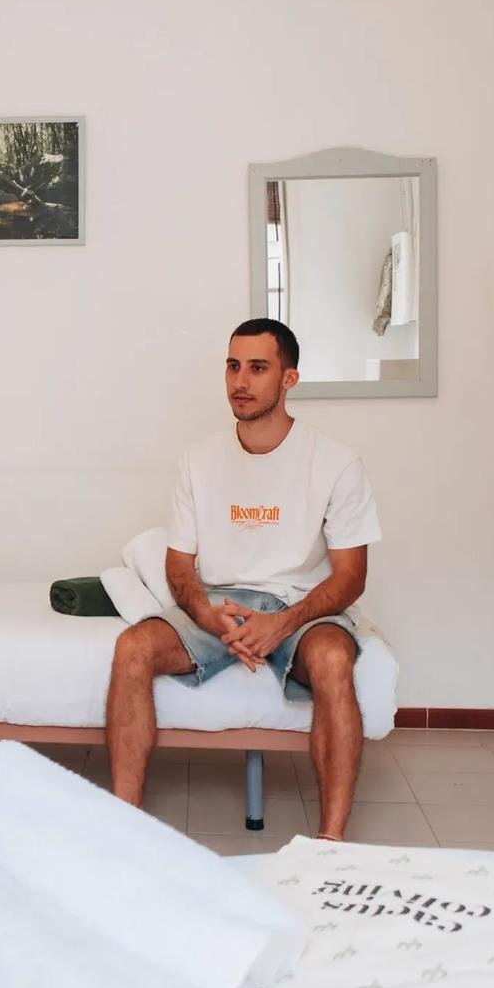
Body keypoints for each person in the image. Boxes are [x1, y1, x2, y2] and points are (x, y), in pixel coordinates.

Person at [104, 317, 381, 839]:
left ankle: (331, 843)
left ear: (289, 379)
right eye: (233, 366)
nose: (241, 381)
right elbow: (179, 564)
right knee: (131, 648)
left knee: (333, 658)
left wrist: (282, 625)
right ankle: (125, 832)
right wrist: (206, 613)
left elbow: (351, 576)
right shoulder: (198, 459)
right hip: (220, 602)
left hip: (301, 605)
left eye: (258, 368)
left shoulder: (338, 463)